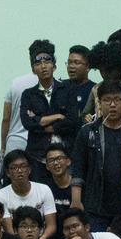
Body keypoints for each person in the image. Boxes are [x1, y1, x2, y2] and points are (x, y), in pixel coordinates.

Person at [71, 80, 121, 232]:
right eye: (107, 100)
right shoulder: (88, 132)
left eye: (117, 100)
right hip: (96, 205)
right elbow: (78, 167)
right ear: (99, 103)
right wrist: (76, 200)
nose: (112, 105)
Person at [21, 40, 79, 169]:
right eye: (38, 63)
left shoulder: (68, 89)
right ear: (33, 69)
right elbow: (27, 123)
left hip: (66, 154)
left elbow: (73, 121)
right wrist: (57, 116)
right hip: (37, 156)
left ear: (54, 65)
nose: (43, 66)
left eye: (47, 62)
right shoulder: (28, 95)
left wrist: (40, 124)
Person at [0, 149, 57, 239]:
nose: (19, 170)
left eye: (23, 166)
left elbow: (51, 225)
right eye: (14, 167)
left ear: (29, 169)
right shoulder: (0, 195)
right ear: (7, 172)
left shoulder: (44, 190)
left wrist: (42, 238)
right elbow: (9, 229)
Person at [41, 143, 74, 213]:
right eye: (51, 160)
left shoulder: (78, 186)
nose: (55, 163)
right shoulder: (44, 188)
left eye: (59, 158)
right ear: (47, 166)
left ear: (68, 161)